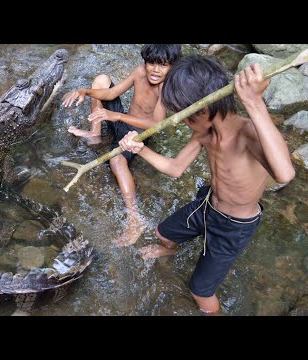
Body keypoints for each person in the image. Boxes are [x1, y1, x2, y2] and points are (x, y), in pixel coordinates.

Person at [118, 55, 295, 314]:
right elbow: (175, 169)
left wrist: (255, 103)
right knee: (163, 234)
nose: (178, 119)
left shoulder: (248, 133)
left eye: (182, 113)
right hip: (207, 204)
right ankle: (170, 250)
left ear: (202, 109)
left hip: (233, 226)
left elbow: (285, 174)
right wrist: (140, 149)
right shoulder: (204, 131)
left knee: (200, 292)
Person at [62, 44, 182, 246]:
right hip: (123, 120)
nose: (155, 69)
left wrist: (116, 115)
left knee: (117, 160)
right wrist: (84, 91)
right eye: (151, 63)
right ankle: (95, 133)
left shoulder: (165, 87)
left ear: (172, 67)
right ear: (145, 62)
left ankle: (134, 220)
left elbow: (157, 124)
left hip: (140, 132)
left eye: (163, 65)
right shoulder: (139, 72)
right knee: (102, 80)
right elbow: (110, 94)